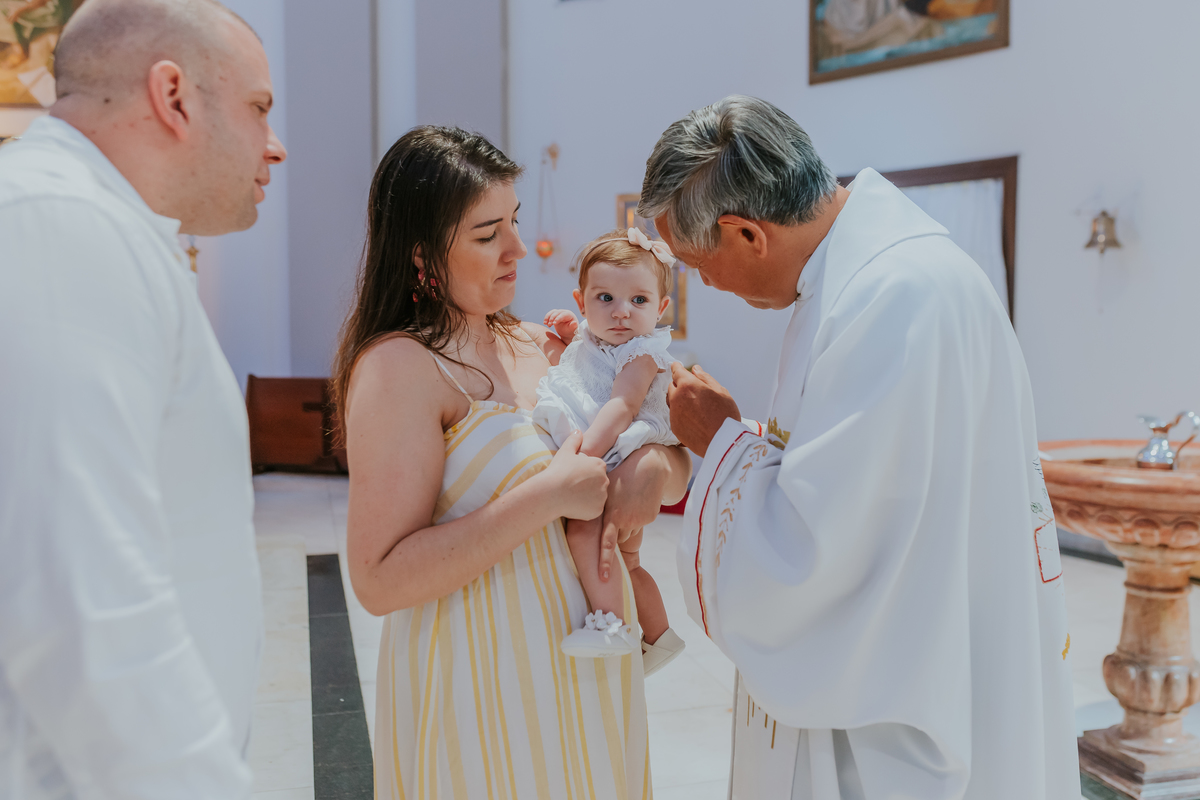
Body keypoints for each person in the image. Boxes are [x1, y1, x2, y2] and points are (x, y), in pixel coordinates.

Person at [642, 95, 1079, 799]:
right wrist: (748, 442)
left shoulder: (890, 298)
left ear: (747, 234)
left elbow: (819, 557)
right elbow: (863, 484)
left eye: (696, 264)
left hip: (899, 725)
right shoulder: (871, 275)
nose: (706, 284)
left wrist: (718, 440)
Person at [333, 126, 692, 800]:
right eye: (488, 233)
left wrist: (656, 472)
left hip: (587, 678)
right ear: (421, 255)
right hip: (480, 689)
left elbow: (656, 440)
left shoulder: (549, 345)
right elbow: (378, 581)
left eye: (515, 223)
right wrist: (549, 495)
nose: (519, 249)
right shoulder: (400, 368)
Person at [0, 0, 286, 796]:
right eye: (259, 107)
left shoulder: (98, 226)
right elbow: (77, 600)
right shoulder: (62, 224)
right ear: (174, 96)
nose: (276, 144)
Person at [533, 227, 688, 673]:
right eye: (605, 299)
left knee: (587, 534)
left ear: (660, 309)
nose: (621, 313)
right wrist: (570, 330)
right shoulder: (593, 338)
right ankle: (659, 637)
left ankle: (612, 623)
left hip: (616, 452)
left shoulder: (642, 354)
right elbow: (582, 361)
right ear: (582, 302)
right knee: (630, 562)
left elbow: (622, 405)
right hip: (618, 458)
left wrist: (587, 457)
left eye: (638, 302)